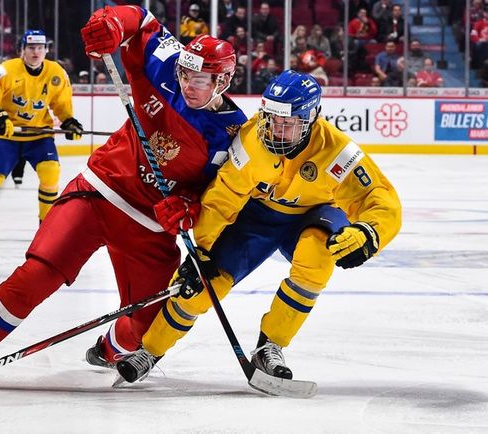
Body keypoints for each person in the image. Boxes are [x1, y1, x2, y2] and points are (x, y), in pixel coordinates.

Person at [0, 5, 247, 380]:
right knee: (37, 273)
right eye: (185, 75)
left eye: (201, 80)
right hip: (98, 193)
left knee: (150, 324)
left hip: (150, 225)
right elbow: (141, 20)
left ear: (223, 80)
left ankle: (108, 349)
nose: (188, 86)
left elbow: (221, 196)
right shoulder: (166, 66)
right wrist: (113, 22)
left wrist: (190, 207)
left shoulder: (234, 135)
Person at [115, 70, 402, 384]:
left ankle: (270, 346)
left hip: (315, 214)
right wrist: (201, 250)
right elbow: (222, 197)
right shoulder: (253, 140)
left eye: (287, 123)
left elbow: (378, 196)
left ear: (311, 119)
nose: (276, 130)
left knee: (317, 258)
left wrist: (369, 232)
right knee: (205, 284)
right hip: (257, 216)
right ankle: (150, 349)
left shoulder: (337, 151)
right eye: (272, 119)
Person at [0, 29, 82, 227]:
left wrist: (68, 121)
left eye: (40, 48)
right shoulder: (5, 71)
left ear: (46, 50)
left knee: (50, 173)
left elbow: (61, 104)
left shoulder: (56, 73)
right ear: (22, 50)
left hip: (39, 136)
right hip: (6, 136)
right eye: (31, 48)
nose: (36, 52)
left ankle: (46, 228)